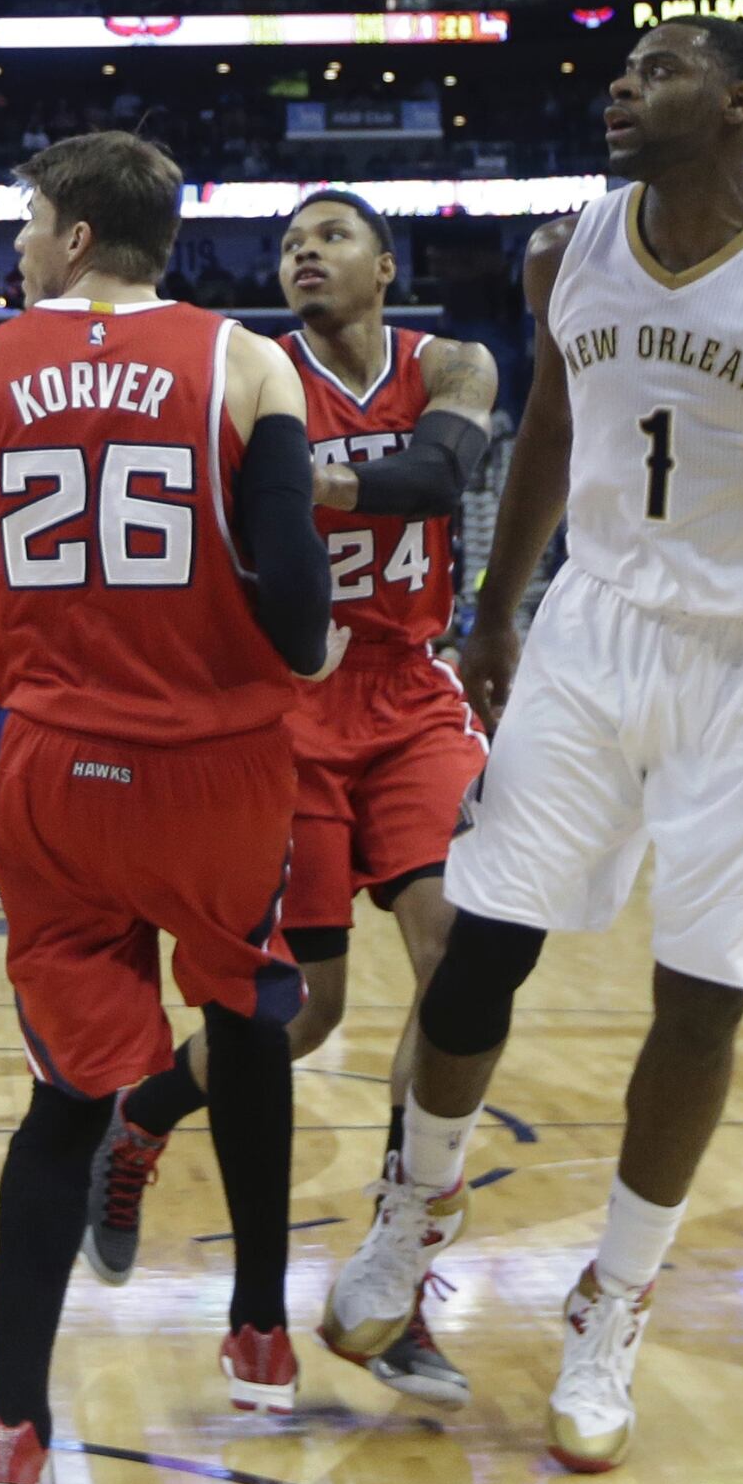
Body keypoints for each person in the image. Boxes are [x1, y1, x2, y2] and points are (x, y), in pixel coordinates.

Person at [320, 17, 743, 1475]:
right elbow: (555, 423)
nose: (623, 83)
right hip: (597, 623)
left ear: (741, 103)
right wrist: (498, 605)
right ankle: (414, 1208)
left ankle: (612, 1298)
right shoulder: (565, 248)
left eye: (662, 65)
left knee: (701, 1000)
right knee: (483, 943)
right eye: (620, 66)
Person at [0, 132, 340, 1484]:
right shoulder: (248, 365)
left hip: (60, 771)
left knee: (63, 1103)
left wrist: (21, 564)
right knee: (249, 1018)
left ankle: (10, 1428)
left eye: (28, 222)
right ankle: (259, 1327)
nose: (16, 246)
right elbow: (307, 623)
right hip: (221, 773)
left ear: (75, 237)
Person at [257, 187, 497, 1409]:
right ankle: (142, 1116)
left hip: (408, 697)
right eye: (290, 242)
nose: (304, 252)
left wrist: (324, 491)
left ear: (385, 266)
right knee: (303, 1013)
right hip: (293, 705)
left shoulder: (452, 359)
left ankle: (400, 1258)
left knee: (460, 956)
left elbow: (439, 476)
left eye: (330, 236)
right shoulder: (255, 374)